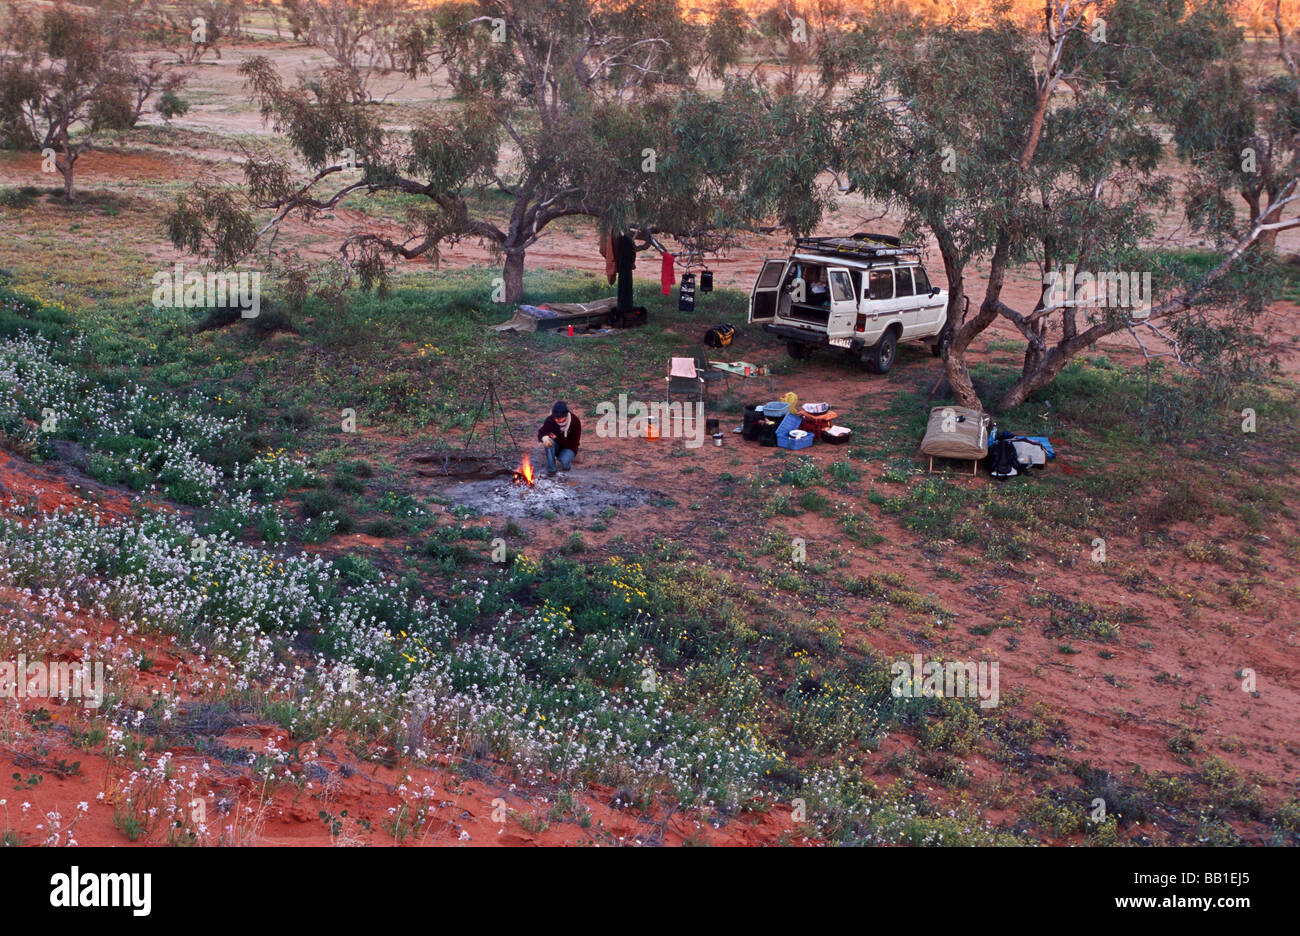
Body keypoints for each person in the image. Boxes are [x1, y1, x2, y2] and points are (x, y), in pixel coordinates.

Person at [537, 401, 581, 475]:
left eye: (559, 418)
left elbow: (573, 443)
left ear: (566, 415)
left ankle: (566, 462)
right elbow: (541, 433)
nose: (557, 420)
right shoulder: (551, 420)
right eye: (555, 418)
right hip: (556, 445)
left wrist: (557, 438)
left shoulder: (575, 422)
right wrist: (543, 437)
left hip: (570, 447)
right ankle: (551, 469)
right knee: (548, 443)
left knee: (563, 461)